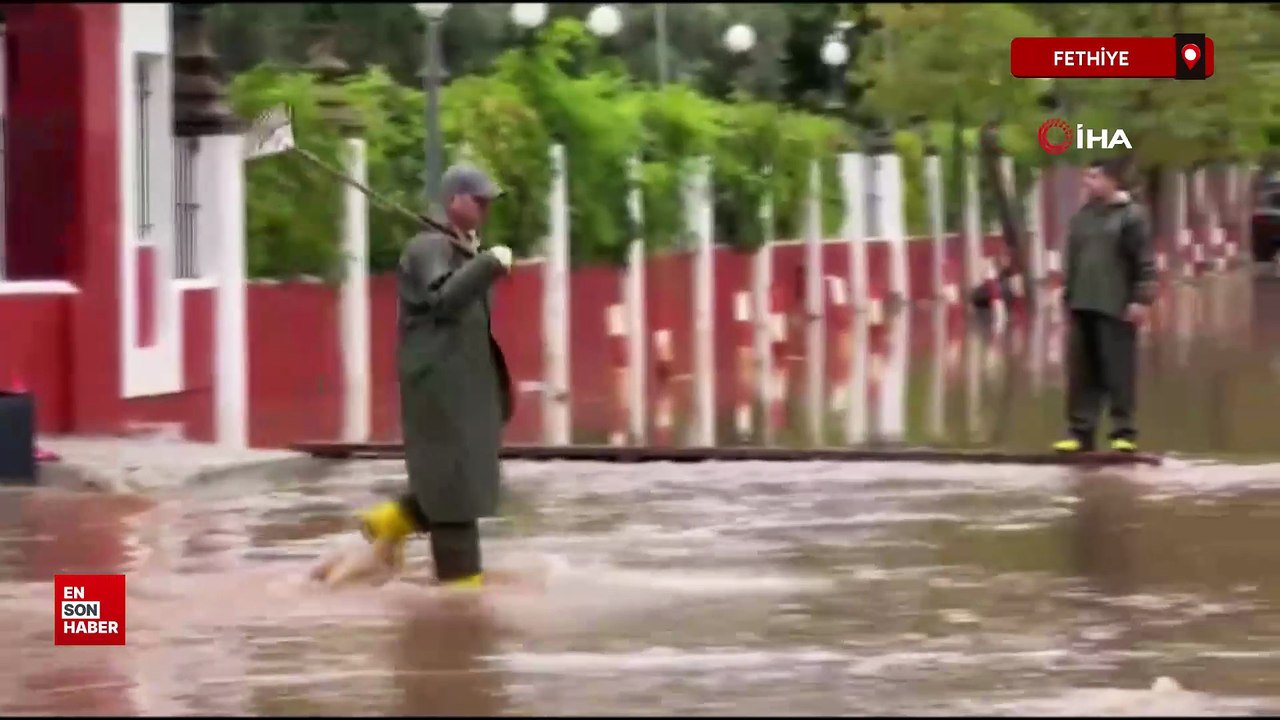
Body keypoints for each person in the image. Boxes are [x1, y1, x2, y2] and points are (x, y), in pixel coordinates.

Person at [323, 163, 515, 589]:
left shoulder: (458, 246)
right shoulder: (427, 248)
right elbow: (443, 299)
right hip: (439, 390)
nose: (485, 206)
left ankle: (389, 521)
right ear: (453, 200)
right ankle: (463, 602)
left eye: (487, 199)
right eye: (477, 198)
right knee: (454, 496)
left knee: (463, 479)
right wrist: (489, 264)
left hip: (464, 390)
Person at [1052, 157, 1156, 454]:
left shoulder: (1132, 217)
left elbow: (1144, 262)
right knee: (1081, 372)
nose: (1088, 183)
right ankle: (1079, 432)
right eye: (1086, 177)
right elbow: (1072, 259)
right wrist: (1068, 296)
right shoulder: (1082, 217)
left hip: (1116, 304)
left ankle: (1123, 432)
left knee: (1118, 371)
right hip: (1082, 302)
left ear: (1112, 180)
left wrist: (1141, 299)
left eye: (1094, 177)